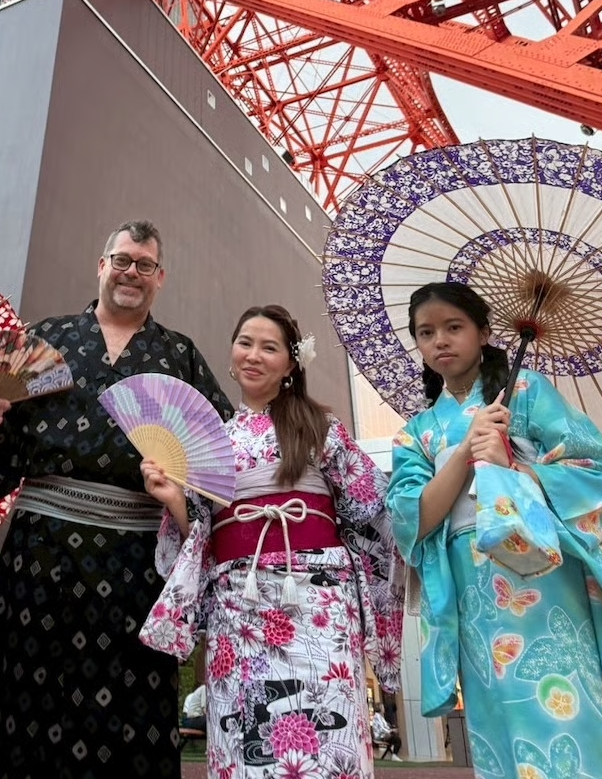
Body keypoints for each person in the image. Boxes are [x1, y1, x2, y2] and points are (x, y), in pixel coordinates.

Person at [0, 220, 232, 779]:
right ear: (102, 266)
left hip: (135, 563)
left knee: (128, 708)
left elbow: (218, 456)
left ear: (160, 277)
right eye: (122, 260)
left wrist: (179, 494)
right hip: (39, 555)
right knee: (19, 698)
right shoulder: (42, 340)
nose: (131, 273)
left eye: (145, 265)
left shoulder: (180, 355)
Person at [139, 304, 404, 778]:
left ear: (290, 363)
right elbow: (199, 537)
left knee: (328, 736)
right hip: (239, 605)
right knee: (244, 734)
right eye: (245, 343)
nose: (254, 355)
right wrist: (174, 498)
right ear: (231, 354)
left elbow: (373, 513)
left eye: (269, 347)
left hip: (319, 603)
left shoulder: (322, 428)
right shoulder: (211, 442)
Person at [387, 281, 602, 779]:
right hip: (471, 587)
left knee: (565, 697)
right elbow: (413, 518)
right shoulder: (416, 432)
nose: (440, 340)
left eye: (454, 327)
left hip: (541, 574)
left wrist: (519, 470)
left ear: (484, 332)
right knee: (498, 711)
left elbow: (598, 466)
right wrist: (468, 450)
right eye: (426, 332)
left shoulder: (525, 391)